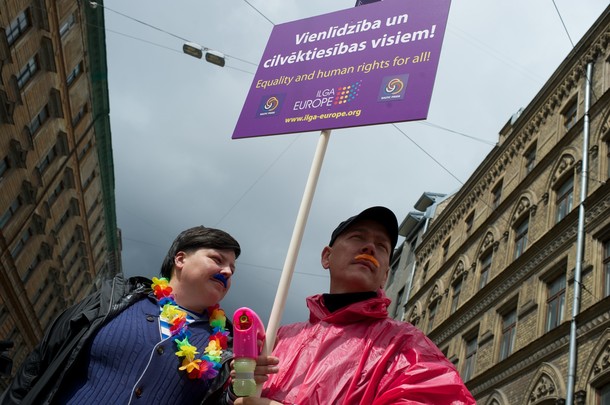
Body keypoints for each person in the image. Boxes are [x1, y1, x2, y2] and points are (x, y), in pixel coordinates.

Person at [1, 225, 276, 405]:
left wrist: (240, 388)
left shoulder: (224, 346)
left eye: (232, 269)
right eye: (217, 260)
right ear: (180, 260)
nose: (227, 272)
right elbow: (37, 367)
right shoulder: (113, 301)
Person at [235, 206, 475, 405]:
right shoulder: (280, 338)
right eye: (357, 237)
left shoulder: (405, 346)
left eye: (382, 246)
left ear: (385, 275)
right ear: (326, 257)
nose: (370, 248)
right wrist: (236, 391)